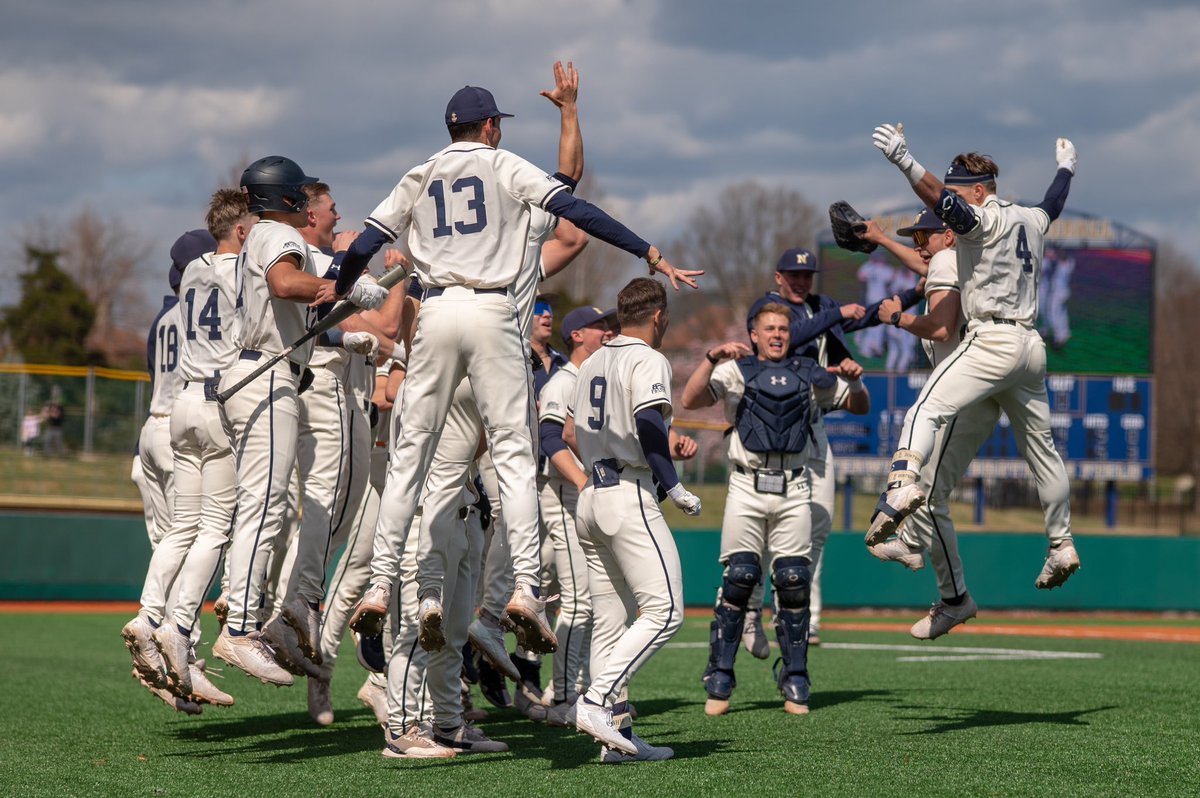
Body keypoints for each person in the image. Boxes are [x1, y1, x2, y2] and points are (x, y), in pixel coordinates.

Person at [342, 65, 700, 661]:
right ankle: (526, 589)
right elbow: (579, 208)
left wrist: (338, 283)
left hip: (434, 319)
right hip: (493, 321)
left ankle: (384, 583)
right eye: (498, 127)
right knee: (513, 455)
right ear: (489, 127)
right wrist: (651, 253)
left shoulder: (421, 171)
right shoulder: (511, 179)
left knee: (413, 462)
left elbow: (364, 244)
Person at [867, 123, 1081, 589]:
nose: (954, 202)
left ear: (979, 191)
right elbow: (1054, 203)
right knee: (1043, 453)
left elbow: (939, 201)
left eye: (962, 193)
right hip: (1030, 346)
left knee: (925, 406)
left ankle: (903, 484)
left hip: (993, 339)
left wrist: (905, 160)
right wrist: (1065, 168)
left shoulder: (984, 219)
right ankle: (1061, 544)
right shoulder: (1030, 219)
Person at [212, 155, 389, 685]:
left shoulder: (260, 233)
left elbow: (296, 299)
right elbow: (286, 284)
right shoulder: (275, 235)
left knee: (265, 505)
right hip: (267, 376)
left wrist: (339, 287)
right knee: (265, 507)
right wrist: (343, 286)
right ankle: (240, 627)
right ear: (289, 197)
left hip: (263, 371)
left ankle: (249, 619)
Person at [682, 303, 869, 715]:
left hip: (794, 484)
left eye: (783, 328)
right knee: (740, 577)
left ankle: (796, 679)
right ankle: (720, 678)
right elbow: (691, 399)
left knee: (793, 581)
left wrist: (856, 383)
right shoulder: (736, 371)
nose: (778, 335)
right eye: (769, 328)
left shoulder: (809, 373)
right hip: (747, 485)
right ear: (754, 334)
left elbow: (860, 407)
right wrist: (711, 357)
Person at [744, 249, 920, 644]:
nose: (801, 280)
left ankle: (807, 618)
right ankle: (753, 608)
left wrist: (914, 294)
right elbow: (790, 339)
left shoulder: (822, 305)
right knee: (764, 529)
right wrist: (837, 315)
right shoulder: (768, 311)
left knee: (818, 525)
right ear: (778, 276)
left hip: (812, 422)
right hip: (770, 427)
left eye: (807, 274)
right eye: (793, 273)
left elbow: (868, 313)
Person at [564, 277, 700, 762]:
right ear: (659, 316)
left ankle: (615, 740)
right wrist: (675, 484)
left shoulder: (594, 360)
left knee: (612, 622)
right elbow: (647, 423)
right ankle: (597, 702)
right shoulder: (647, 357)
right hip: (627, 493)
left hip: (591, 494)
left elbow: (570, 434)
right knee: (665, 611)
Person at [858, 209, 985, 637]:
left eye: (924, 235)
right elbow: (928, 265)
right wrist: (879, 238)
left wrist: (896, 317)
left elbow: (941, 324)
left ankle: (954, 598)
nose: (917, 244)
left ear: (949, 235)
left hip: (962, 396)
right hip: (966, 394)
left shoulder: (948, 259)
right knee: (931, 495)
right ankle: (917, 551)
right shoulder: (953, 258)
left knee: (929, 496)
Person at [535, 304, 616, 726]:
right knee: (579, 600)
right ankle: (563, 698)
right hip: (563, 494)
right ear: (578, 335)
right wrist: (587, 483)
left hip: (586, 496)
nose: (608, 331)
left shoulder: (592, 379)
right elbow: (552, 439)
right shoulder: (562, 382)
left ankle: (581, 689)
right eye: (600, 326)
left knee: (596, 599)